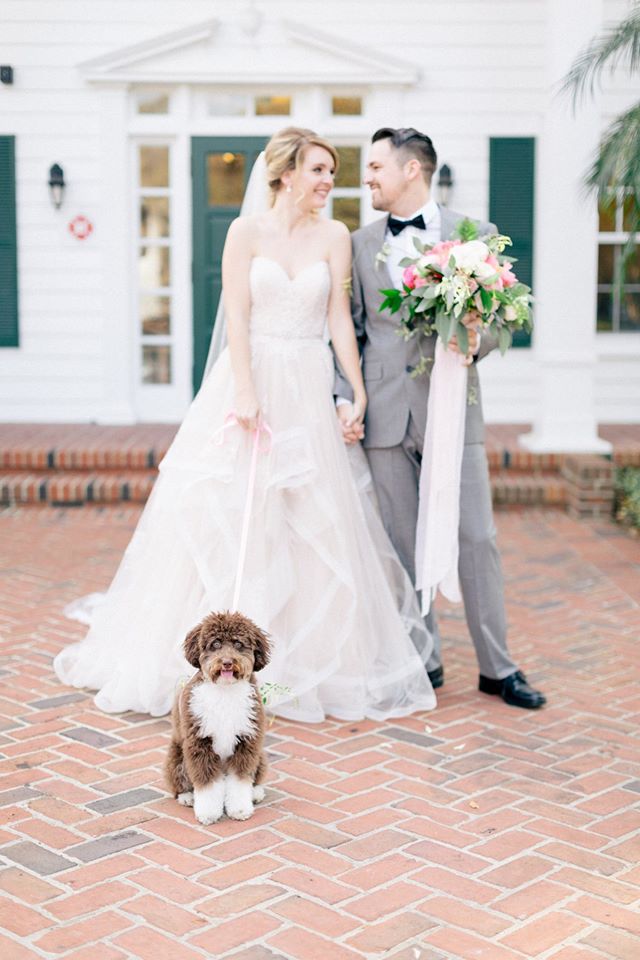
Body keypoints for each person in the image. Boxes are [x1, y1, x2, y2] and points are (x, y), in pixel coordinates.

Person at [54, 127, 436, 723]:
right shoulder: (244, 232)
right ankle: (219, 658)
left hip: (309, 383)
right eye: (318, 170)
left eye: (332, 171)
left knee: (308, 515)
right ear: (285, 174)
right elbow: (235, 312)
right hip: (251, 379)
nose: (329, 181)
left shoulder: (335, 236)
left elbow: (339, 317)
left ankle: (290, 676)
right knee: (236, 511)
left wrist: (355, 388)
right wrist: (247, 391)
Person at [335, 127, 546, 710]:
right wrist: (341, 397)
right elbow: (346, 331)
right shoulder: (356, 243)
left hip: (456, 411)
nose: (367, 177)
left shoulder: (474, 237)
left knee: (478, 538)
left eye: (376, 166)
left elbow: (506, 319)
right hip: (384, 417)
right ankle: (422, 660)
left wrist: (478, 339)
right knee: (402, 546)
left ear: (412, 170)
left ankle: (497, 668)